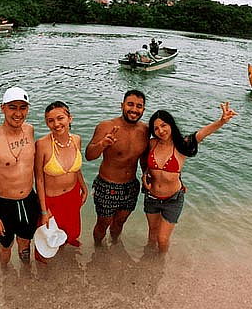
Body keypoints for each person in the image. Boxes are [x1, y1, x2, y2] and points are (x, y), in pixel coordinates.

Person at [142, 104, 237, 254]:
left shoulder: (182, 144)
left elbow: (202, 134)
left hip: (172, 199)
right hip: (152, 197)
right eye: (156, 128)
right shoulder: (152, 143)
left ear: (171, 124)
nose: (161, 130)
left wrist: (221, 121)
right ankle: (147, 260)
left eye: (164, 125)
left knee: (162, 239)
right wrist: (144, 174)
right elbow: (144, 162)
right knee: (152, 234)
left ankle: (160, 263)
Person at [0, 87, 40, 269]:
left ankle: (26, 273)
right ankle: (5, 274)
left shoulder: (30, 130)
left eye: (23, 108)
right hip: (5, 204)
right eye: (13, 107)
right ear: (2, 108)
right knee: (6, 245)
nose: (18, 113)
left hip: (29, 199)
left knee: (25, 242)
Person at [86, 90, 149, 245]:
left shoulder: (145, 130)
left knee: (119, 223)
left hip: (131, 186)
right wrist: (103, 144)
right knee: (103, 224)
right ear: (122, 105)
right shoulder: (106, 126)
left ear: (143, 109)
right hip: (108, 185)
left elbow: (143, 159)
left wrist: (147, 176)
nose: (134, 109)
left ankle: (115, 246)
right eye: (130, 104)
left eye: (139, 106)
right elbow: (89, 155)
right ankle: (98, 249)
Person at [35, 101, 88, 252]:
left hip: (72, 195)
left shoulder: (76, 139)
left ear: (70, 118)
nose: (56, 124)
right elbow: (38, 179)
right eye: (50, 120)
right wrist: (44, 210)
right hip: (52, 200)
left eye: (60, 118)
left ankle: (67, 246)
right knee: (48, 239)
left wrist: (84, 188)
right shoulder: (42, 145)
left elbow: (76, 169)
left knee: (71, 231)